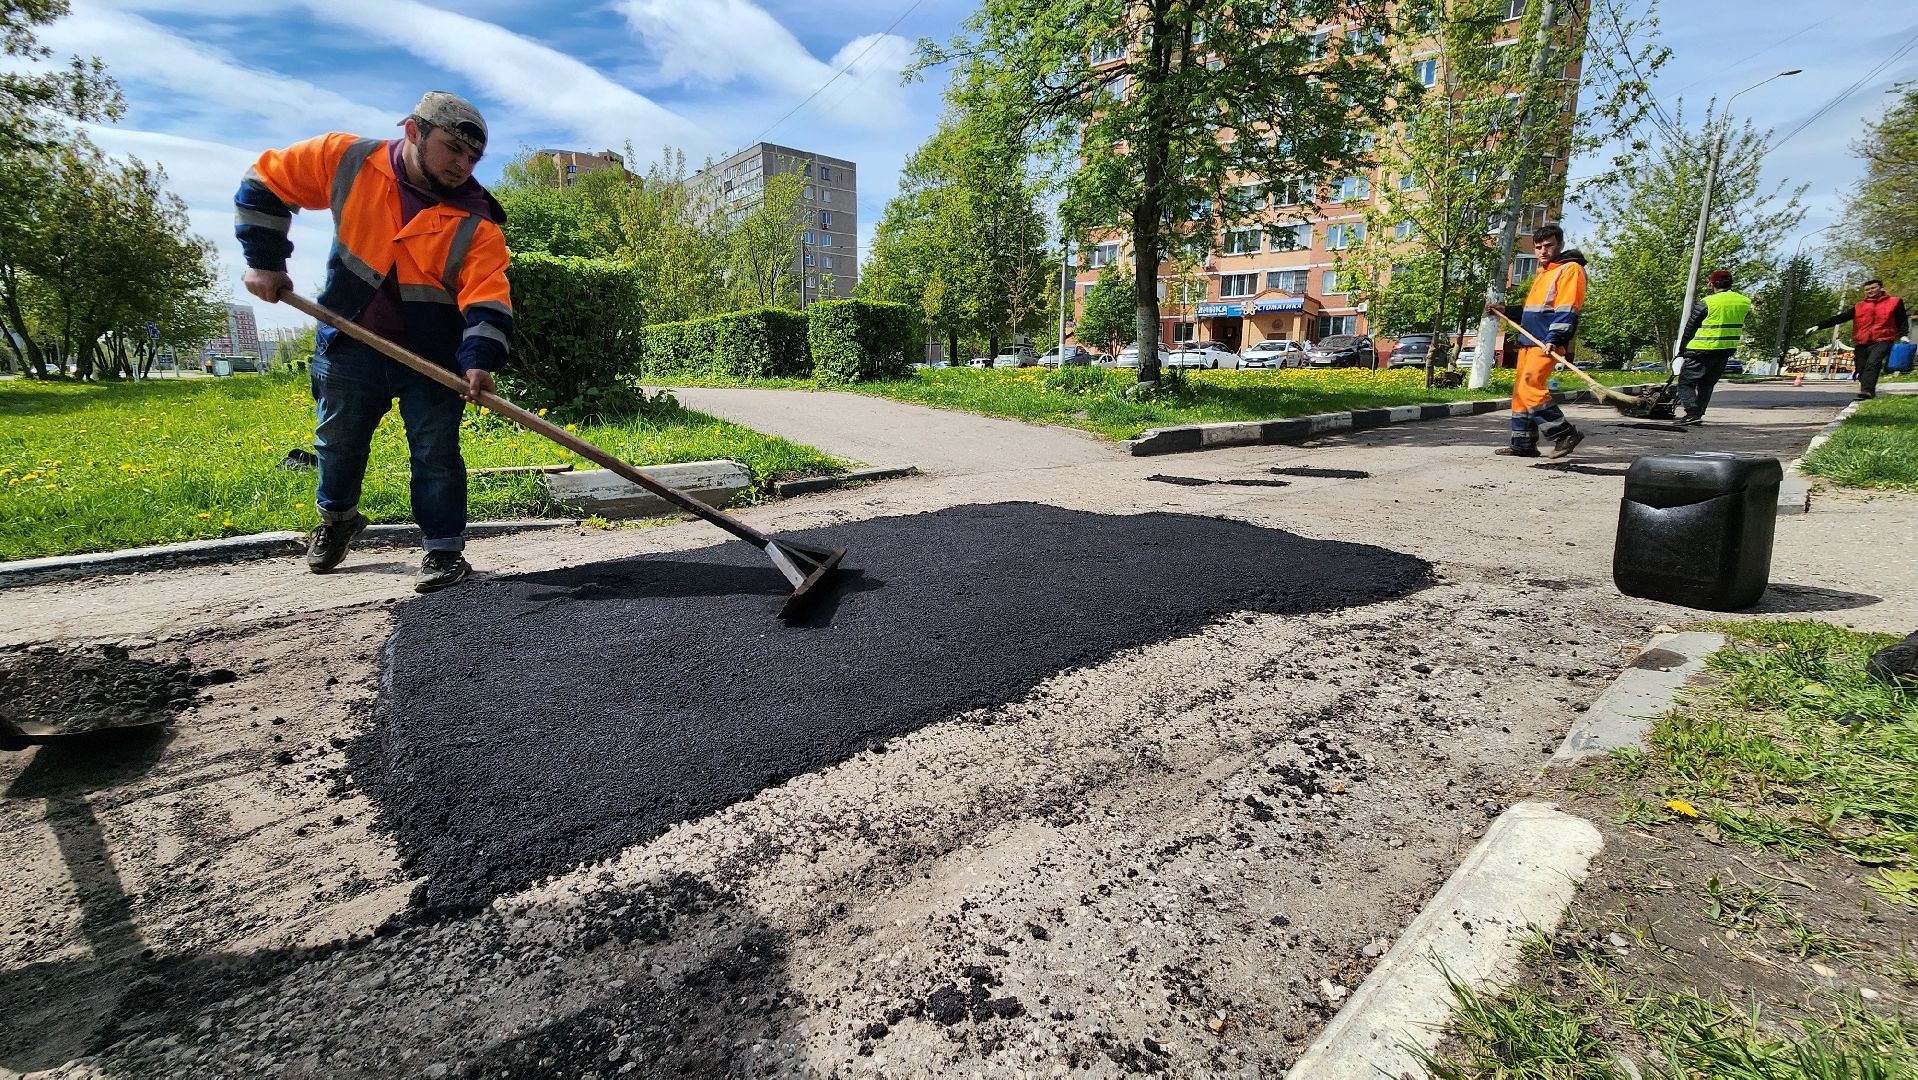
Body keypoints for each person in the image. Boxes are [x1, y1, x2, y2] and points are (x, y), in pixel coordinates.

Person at [235, 92, 513, 592]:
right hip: (350, 336)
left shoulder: (478, 221)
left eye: (473, 158)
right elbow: (264, 182)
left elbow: (487, 297)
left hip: (434, 355)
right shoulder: (348, 160)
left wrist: (478, 358)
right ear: (413, 131)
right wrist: (265, 261)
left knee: (436, 451)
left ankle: (445, 551)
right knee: (338, 442)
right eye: (453, 148)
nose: (462, 164)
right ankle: (338, 519)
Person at [1488, 223, 1586, 458]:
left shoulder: (1569, 270)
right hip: (1529, 341)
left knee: (1531, 387)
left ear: (1560, 245)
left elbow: (1567, 309)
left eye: (1549, 246)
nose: (1543, 251)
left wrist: (1555, 338)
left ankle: (1564, 434)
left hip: (1546, 342)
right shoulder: (1544, 273)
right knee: (1521, 393)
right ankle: (1523, 443)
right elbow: (1534, 311)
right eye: (1539, 247)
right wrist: (1507, 310)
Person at [1806, 280, 1910, 400]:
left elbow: (1902, 320)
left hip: (1883, 339)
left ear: (1881, 288)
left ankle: (1867, 391)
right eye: (1867, 289)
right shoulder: (1859, 306)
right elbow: (1841, 317)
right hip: (1862, 341)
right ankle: (1867, 388)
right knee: (1861, 368)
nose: (1870, 291)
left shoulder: (1894, 302)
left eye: (1873, 288)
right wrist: (1818, 326)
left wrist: (1903, 335)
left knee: (1873, 363)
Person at [1673, 269, 1752, 425]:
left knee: (1686, 382)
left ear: (1712, 284)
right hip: (1724, 350)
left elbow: (1690, 327)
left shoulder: (1707, 302)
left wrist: (1682, 350)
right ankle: (1698, 413)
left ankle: (1692, 413)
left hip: (1701, 349)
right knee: (1707, 383)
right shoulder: (1744, 302)